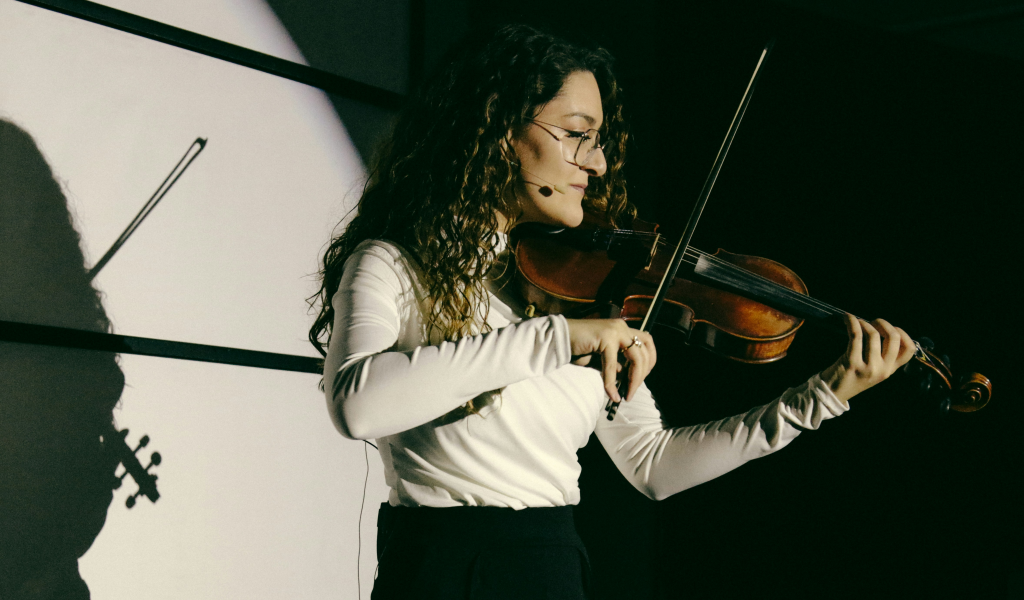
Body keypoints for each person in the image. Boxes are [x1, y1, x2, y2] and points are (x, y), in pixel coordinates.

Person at [308, 24, 915, 599]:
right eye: (578, 134)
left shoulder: (586, 292)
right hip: (441, 569)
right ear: (496, 128)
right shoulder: (395, 265)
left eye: (597, 141)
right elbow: (358, 405)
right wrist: (559, 337)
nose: (597, 164)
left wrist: (819, 399)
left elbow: (653, 465)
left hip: (550, 563)